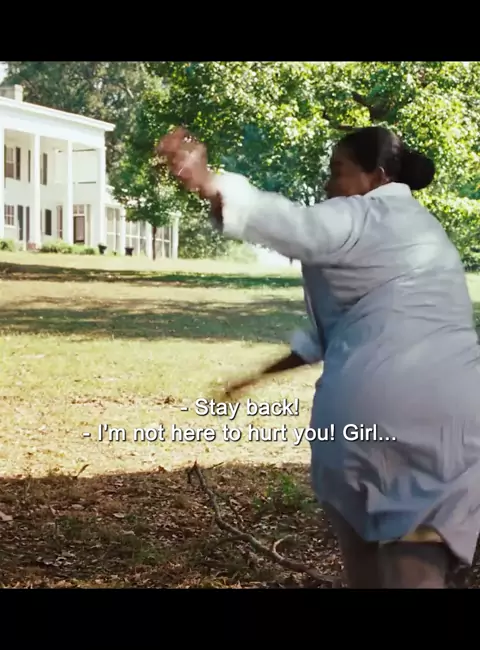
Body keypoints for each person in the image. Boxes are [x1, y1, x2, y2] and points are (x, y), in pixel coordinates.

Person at [158, 125, 480, 588]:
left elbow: (296, 226)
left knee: (365, 562)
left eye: (337, 171)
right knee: (418, 558)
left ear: (377, 176)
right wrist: (259, 375)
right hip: (452, 419)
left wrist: (209, 182)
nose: (328, 185)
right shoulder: (428, 235)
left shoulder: (361, 215)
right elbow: (337, 333)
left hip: (367, 415)